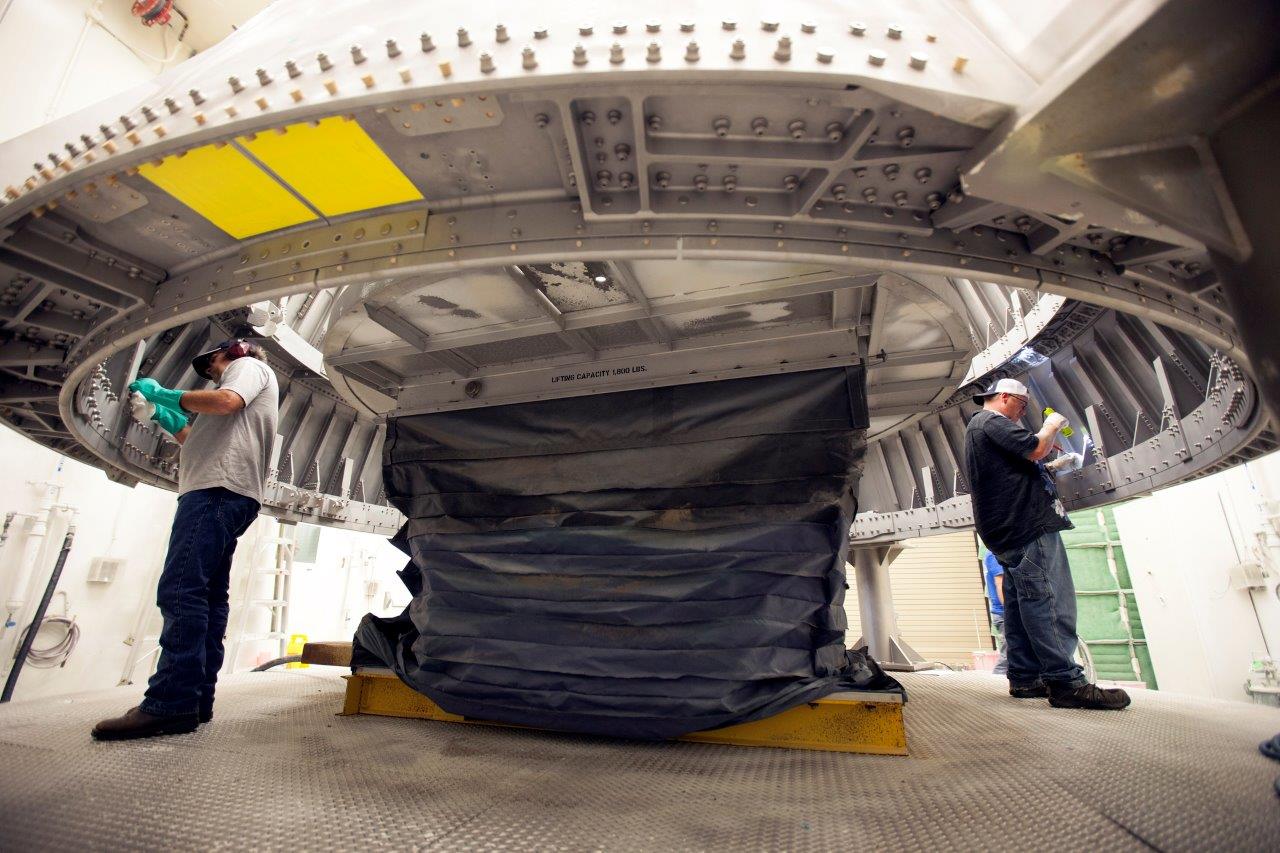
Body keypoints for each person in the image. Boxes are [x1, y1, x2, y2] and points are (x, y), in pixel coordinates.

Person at [93, 339, 279, 740]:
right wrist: (166, 416)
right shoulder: (236, 389)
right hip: (228, 492)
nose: (210, 375)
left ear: (226, 353)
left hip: (214, 492)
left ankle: (170, 704)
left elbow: (227, 401)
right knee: (208, 597)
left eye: (210, 368)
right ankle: (196, 700)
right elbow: (199, 436)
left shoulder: (246, 368)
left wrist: (164, 394)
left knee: (180, 589)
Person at [963, 378, 1129, 710]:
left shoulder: (978, 429)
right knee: (1048, 600)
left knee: (1020, 607)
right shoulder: (989, 421)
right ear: (1006, 398)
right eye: (1022, 407)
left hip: (1005, 531)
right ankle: (1067, 682)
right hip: (1026, 526)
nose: (1022, 414)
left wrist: (1045, 461)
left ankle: (1026, 679)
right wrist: (1052, 425)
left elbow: (1021, 462)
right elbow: (1036, 448)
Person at [982, 551, 1007, 675]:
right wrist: (1009, 610)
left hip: (1003, 612)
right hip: (1004, 613)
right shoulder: (994, 554)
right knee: (1010, 653)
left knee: (1013, 651)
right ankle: (999, 676)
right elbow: (1000, 583)